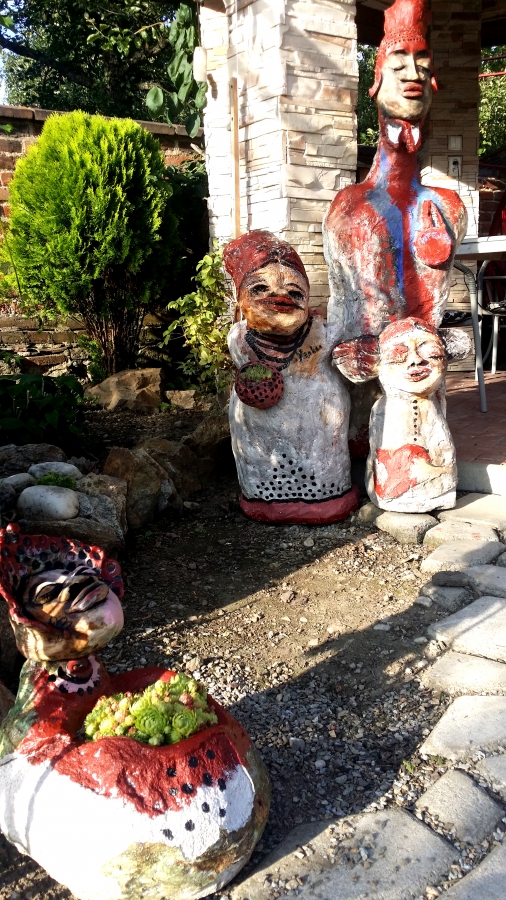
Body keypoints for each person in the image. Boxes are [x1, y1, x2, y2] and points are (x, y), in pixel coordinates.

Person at [323, 0, 467, 339]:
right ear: (376, 82)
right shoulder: (348, 207)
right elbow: (341, 305)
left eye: (424, 67)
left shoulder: (449, 208)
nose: (413, 74)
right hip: (363, 361)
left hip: (422, 362)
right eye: (398, 64)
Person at [224, 230, 359, 524]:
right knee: (261, 460)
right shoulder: (239, 337)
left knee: (320, 464)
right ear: (239, 297)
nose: (280, 296)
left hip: (318, 425)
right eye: (260, 288)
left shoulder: (324, 332)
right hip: (259, 423)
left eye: (295, 292)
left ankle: (327, 498)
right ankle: (262, 499)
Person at [333, 318, 470, 512]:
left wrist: (442, 471)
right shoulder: (385, 410)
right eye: (398, 356)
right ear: (378, 365)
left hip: (436, 484)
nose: (415, 360)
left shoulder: (433, 407)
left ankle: (436, 495)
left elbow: (444, 452)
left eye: (431, 353)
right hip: (395, 486)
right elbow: (387, 462)